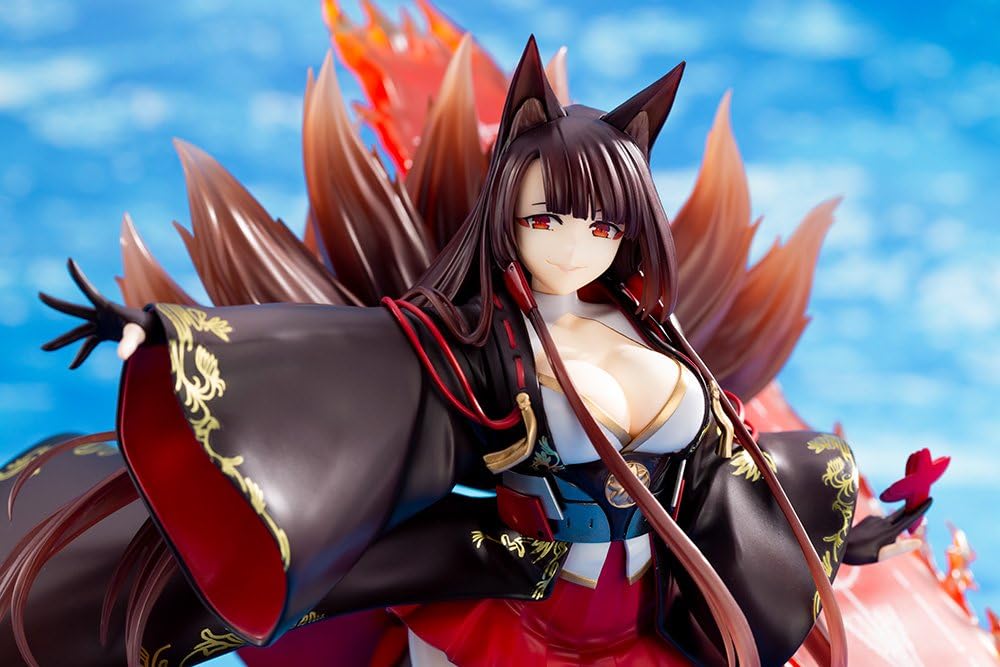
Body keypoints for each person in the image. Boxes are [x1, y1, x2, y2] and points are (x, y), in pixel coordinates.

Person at [0, 36, 928, 667]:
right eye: (549, 217)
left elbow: (732, 475)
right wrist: (160, 333)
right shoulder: (488, 342)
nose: (576, 244)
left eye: (602, 224)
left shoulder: (657, 334)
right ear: (508, 214)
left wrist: (842, 534)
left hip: (645, 624)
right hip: (515, 613)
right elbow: (347, 365)